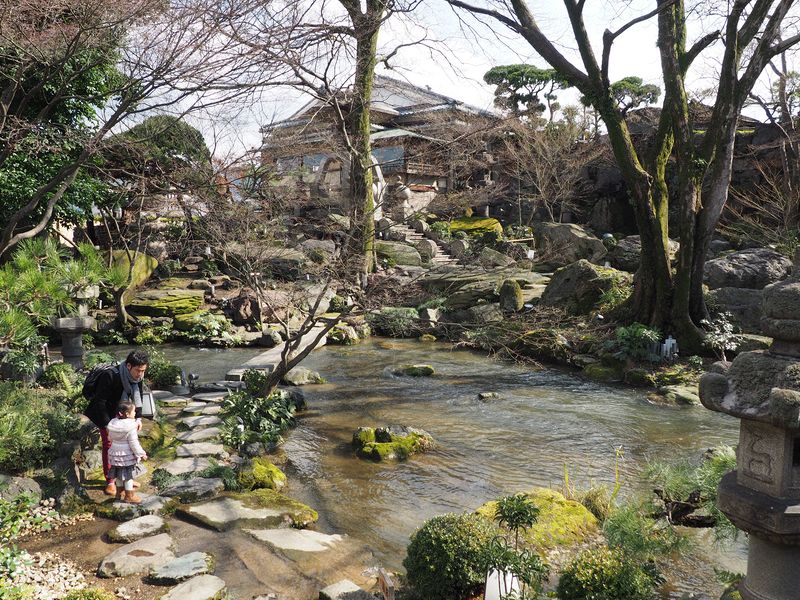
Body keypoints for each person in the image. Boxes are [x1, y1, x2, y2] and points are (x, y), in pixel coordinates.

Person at [84, 349, 149, 496]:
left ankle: (126, 478)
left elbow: (139, 397)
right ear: (128, 366)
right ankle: (110, 481)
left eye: (143, 370)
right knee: (109, 445)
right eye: (138, 370)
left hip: (123, 411)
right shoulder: (110, 375)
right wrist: (108, 426)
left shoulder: (138, 377)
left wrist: (138, 418)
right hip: (105, 412)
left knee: (127, 444)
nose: (140, 374)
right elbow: (100, 402)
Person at [106, 398, 148, 504]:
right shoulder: (131, 426)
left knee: (119, 475)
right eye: (134, 411)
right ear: (127, 414)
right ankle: (129, 495)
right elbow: (134, 443)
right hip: (126, 455)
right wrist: (141, 453)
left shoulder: (113, 424)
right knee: (128, 476)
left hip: (114, 454)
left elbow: (110, 438)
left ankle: (119, 494)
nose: (135, 413)